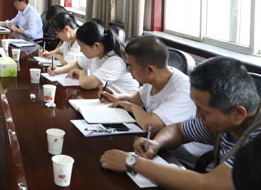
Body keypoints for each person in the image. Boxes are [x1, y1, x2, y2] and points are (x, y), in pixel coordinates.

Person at [100, 57, 261, 190]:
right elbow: (179, 130)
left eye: (202, 110)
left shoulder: (257, 139)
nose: (197, 115)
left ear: (238, 113)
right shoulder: (225, 120)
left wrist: (133, 162)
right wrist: (157, 143)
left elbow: (210, 184)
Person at [47, 20, 138, 93]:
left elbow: (87, 84)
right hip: (106, 99)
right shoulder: (96, 53)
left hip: (125, 106)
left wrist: (81, 73)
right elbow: (77, 64)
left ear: (96, 45)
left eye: (82, 47)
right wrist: (59, 70)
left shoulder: (116, 61)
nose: (80, 50)